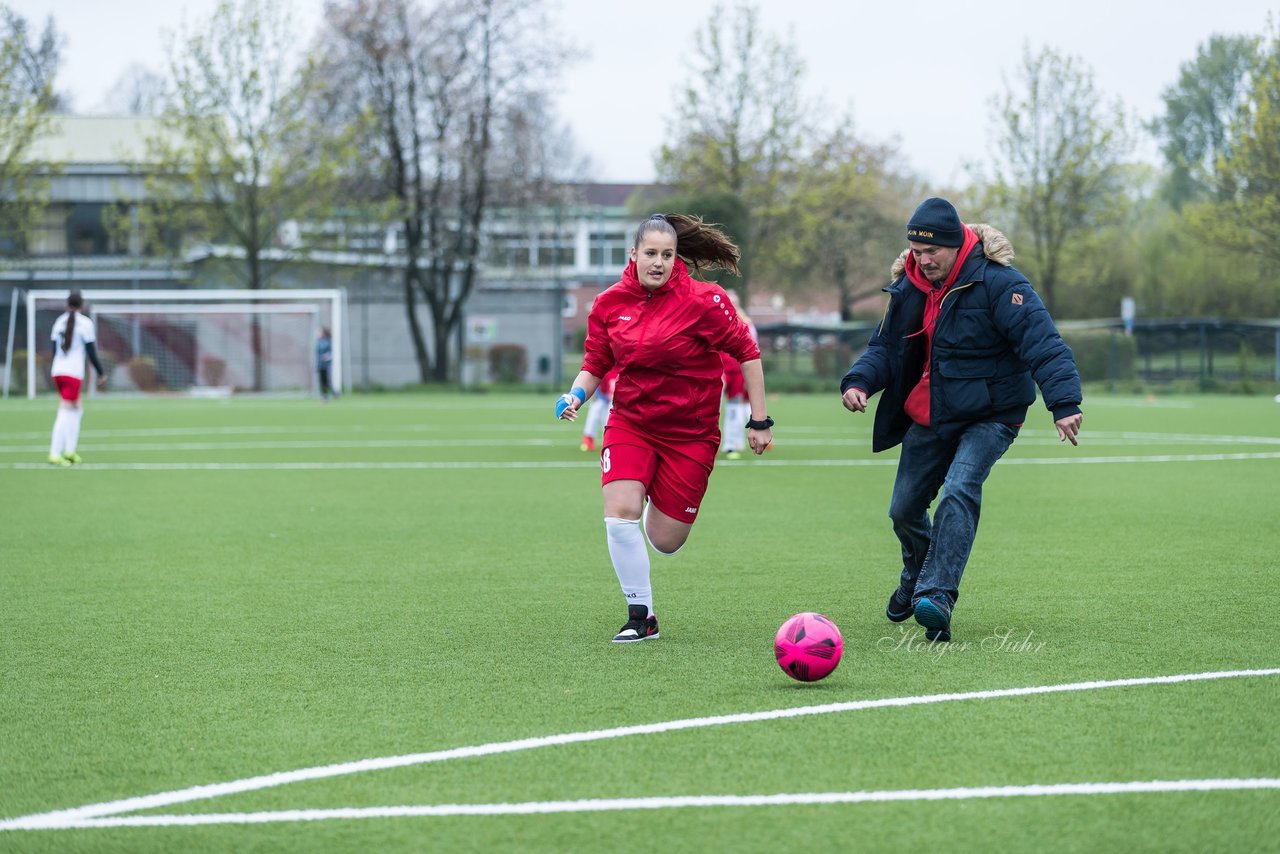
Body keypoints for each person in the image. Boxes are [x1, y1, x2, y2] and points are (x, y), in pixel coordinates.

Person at [839, 198, 1082, 643]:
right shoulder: (908, 288)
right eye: (916, 249)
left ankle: (938, 595)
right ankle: (917, 570)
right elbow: (885, 348)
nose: (923, 259)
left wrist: (1064, 402)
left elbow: (1043, 342)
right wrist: (858, 382)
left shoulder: (999, 283)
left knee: (960, 488)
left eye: (932, 251)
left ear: (956, 246)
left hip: (992, 414)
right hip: (932, 413)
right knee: (903, 511)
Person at [556, 213, 773, 643]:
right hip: (630, 423)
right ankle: (642, 615)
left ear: (677, 259)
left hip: (690, 434)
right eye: (651, 253)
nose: (658, 262)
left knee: (666, 539)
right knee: (620, 513)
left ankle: (656, 490)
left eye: (667, 255)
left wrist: (760, 420)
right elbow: (596, 362)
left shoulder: (705, 302)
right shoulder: (608, 304)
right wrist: (575, 395)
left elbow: (748, 353)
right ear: (633, 254)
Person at [48, 291, 107, 466]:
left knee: (76, 409)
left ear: (67, 304)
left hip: (58, 370)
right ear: (82, 305)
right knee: (66, 409)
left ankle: (70, 451)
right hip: (72, 372)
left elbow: (53, 350)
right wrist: (101, 372)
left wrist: (56, 367)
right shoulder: (85, 323)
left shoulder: (59, 321)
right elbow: (91, 351)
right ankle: (55, 452)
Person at [718, 290, 757, 460]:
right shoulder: (715, 320)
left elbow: (753, 350)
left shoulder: (745, 323)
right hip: (718, 371)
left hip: (737, 372)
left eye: (734, 302)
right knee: (710, 409)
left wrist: (749, 377)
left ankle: (731, 444)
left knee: (735, 408)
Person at [579, 366, 619, 452]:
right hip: (606, 397)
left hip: (617, 402)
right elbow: (601, 388)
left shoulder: (624, 370)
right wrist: (599, 396)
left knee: (608, 415)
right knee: (596, 407)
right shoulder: (608, 370)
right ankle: (588, 438)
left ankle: (609, 440)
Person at [316, 327, 339, 401]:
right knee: (323, 381)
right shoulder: (319, 342)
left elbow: (330, 353)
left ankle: (326, 395)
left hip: (326, 365)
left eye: (319, 332)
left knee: (326, 381)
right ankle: (332, 393)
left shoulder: (328, 342)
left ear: (323, 333)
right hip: (320, 365)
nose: (318, 334)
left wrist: (326, 357)